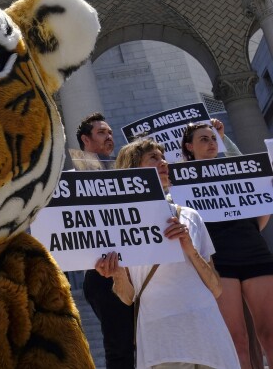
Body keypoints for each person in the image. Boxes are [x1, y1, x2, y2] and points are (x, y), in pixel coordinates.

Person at [97, 138, 239, 369]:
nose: (164, 163)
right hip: (162, 338)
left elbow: (216, 287)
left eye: (163, 157)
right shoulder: (116, 227)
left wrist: (189, 248)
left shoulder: (190, 216)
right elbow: (126, 297)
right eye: (153, 158)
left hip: (207, 329)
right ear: (133, 170)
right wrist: (117, 274)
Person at [182, 121, 273, 368]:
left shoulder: (235, 170)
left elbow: (260, 213)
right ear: (189, 147)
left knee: (270, 334)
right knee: (236, 340)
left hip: (255, 254)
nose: (211, 143)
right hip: (220, 262)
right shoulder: (183, 183)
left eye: (213, 138)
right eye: (203, 139)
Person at [75, 113, 134, 369]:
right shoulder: (72, 182)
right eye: (101, 133)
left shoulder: (129, 175)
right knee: (119, 348)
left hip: (136, 272)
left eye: (110, 132)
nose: (109, 137)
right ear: (85, 140)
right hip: (103, 275)